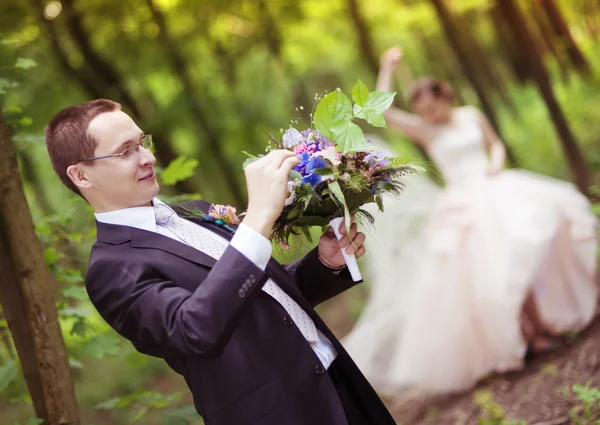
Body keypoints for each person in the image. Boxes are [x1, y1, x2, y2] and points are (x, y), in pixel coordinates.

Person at [44, 99, 397, 425]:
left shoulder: (194, 211)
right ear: (81, 176)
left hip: (339, 380)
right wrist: (258, 218)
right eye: (125, 151)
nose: (147, 157)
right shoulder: (111, 270)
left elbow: (260, 298)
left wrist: (325, 263)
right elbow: (194, 329)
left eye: (141, 142)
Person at [343, 47, 599, 395]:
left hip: (496, 187)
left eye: (432, 108)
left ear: (445, 98)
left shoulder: (471, 115)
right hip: (463, 205)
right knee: (493, 270)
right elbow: (382, 109)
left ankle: (538, 328)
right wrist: (387, 67)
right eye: (422, 112)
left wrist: (495, 162)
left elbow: (495, 145)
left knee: (521, 255)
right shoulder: (426, 132)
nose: (429, 115)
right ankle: (528, 335)